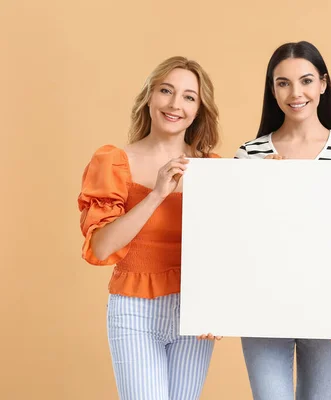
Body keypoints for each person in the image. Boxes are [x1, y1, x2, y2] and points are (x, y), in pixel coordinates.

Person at [77, 56, 221, 400]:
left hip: (194, 310)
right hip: (134, 310)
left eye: (189, 97)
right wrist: (157, 193)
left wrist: (216, 306)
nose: (175, 104)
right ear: (149, 98)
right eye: (165, 91)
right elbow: (100, 247)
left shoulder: (213, 169)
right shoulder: (113, 161)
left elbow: (226, 248)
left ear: (199, 109)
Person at [234, 41, 331, 400]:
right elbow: (236, 236)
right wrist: (256, 187)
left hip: (330, 306)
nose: (296, 93)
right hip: (263, 304)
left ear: (323, 84)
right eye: (283, 83)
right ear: (272, 88)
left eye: (306, 81)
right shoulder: (249, 155)